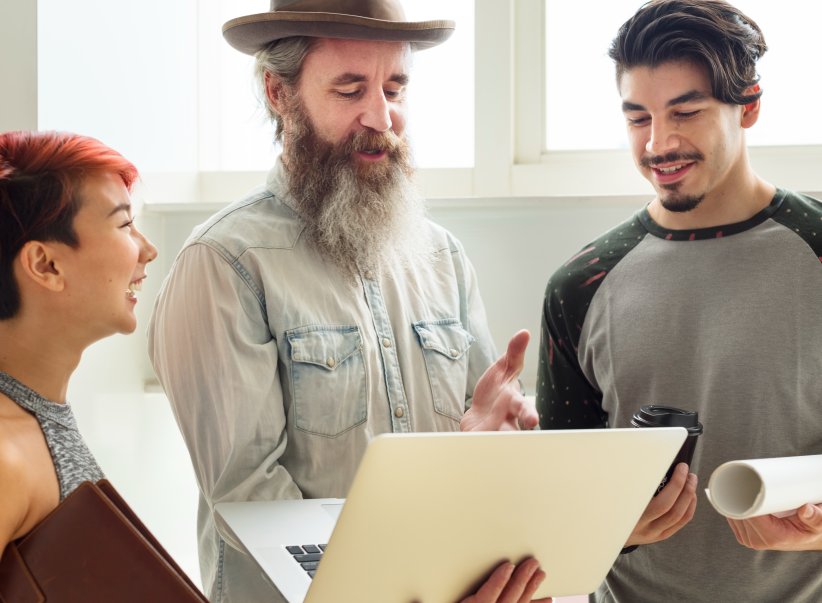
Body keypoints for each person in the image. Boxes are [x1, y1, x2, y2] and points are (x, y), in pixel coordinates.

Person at [148, 1, 545, 602]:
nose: (381, 116)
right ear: (278, 94)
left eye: (395, 87)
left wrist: (484, 447)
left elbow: (471, 468)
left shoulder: (442, 258)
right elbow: (253, 501)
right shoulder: (225, 263)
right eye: (350, 89)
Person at [536, 0, 822, 601]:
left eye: (685, 112)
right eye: (638, 118)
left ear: (749, 105)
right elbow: (560, 508)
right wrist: (609, 531)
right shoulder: (579, 285)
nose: (658, 143)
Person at [0, 130, 158, 555]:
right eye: (125, 224)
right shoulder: (5, 460)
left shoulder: (35, 415)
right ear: (45, 264)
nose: (148, 250)